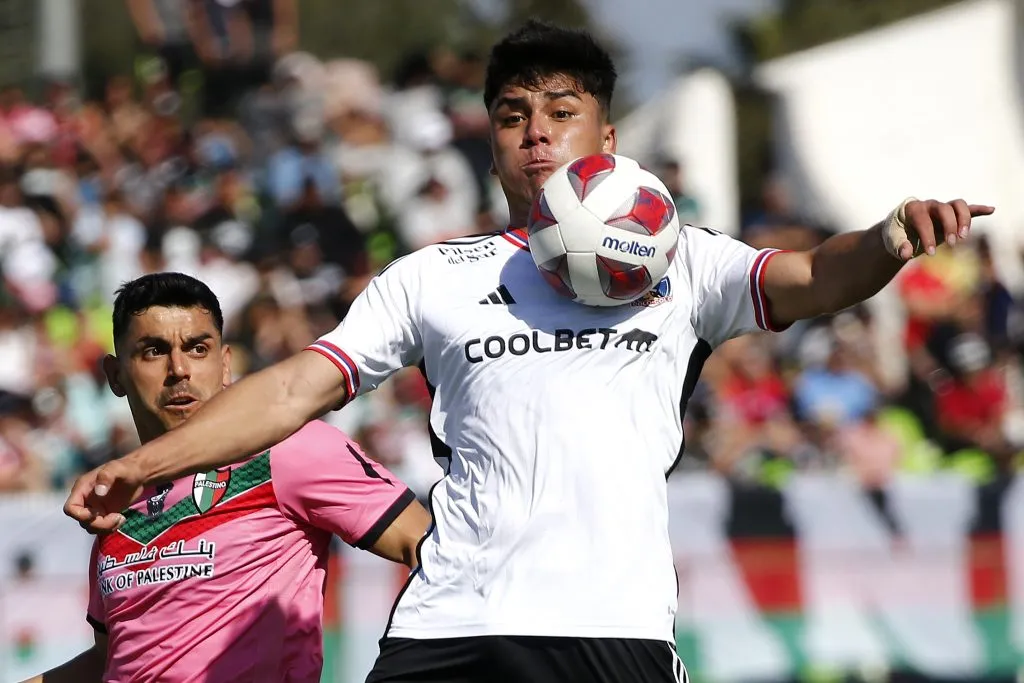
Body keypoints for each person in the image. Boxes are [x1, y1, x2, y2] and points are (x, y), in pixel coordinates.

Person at [65, 20, 994, 683]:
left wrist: (888, 237)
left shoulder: (686, 259)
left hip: (608, 628)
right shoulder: (432, 275)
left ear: (609, 139)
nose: (537, 131)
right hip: (452, 620)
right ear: (493, 140)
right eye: (513, 115)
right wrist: (142, 464)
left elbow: (814, 278)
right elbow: (290, 392)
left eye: (561, 110)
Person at [31, 272, 429, 683]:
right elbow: (111, 661)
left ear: (225, 365)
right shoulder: (116, 497)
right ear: (115, 375)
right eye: (153, 351)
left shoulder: (290, 450)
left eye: (197, 348)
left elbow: (434, 552)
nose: (179, 369)